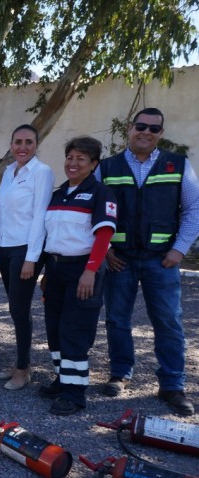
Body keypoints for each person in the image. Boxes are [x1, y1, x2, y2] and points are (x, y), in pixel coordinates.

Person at [98, 108, 199, 417]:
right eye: (140, 126)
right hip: (120, 259)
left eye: (153, 129)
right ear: (130, 129)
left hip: (162, 260)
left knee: (168, 322)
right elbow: (94, 209)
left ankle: (172, 385)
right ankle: (120, 373)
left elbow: (194, 208)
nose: (146, 132)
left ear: (160, 134)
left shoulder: (178, 165)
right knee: (117, 319)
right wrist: (104, 251)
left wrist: (179, 250)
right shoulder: (107, 167)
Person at [39, 136, 116, 415]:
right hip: (57, 269)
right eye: (70, 157)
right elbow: (54, 235)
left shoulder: (100, 193)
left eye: (81, 159)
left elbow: (104, 234)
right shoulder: (59, 193)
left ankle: (75, 393)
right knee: (55, 329)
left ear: (93, 163)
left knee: (75, 330)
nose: (73, 163)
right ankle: (63, 379)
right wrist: (48, 270)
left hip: (83, 270)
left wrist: (90, 271)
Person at [0, 125, 56, 390]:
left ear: (36, 145)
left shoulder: (41, 173)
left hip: (25, 250)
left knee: (19, 309)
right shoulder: (9, 172)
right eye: (18, 141)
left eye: (29, 142)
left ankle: (23, 370)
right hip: (6, 247)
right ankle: (21, 363)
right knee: (15, 308)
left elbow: (41, 215)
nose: (23, 147)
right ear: (10, 144)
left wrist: (32, 258)